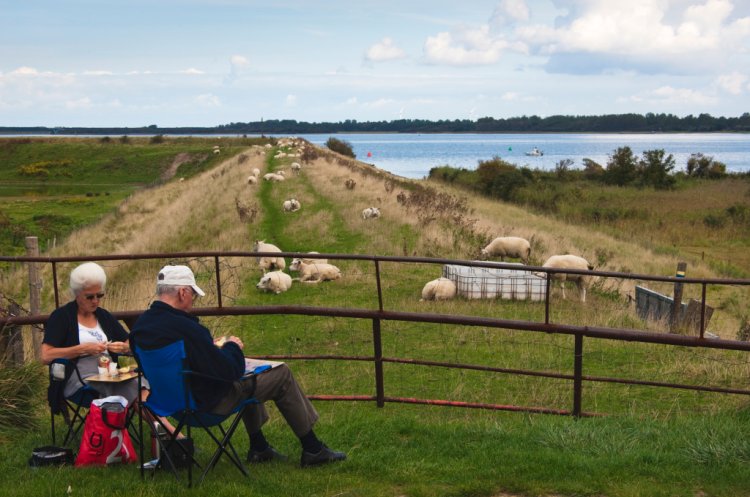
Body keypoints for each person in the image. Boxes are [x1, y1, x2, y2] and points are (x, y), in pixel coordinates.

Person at [129, 264, 346, 467]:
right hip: (206, 405)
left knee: (254, 376)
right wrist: (232, 347)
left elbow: (171, 365)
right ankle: (313, 448)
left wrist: (211, 350)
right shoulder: (188, 329)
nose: (193, 300)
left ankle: (259, 447)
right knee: (280, 373)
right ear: (183, 293)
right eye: (193, 295)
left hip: (171, 406)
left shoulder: (140, 329)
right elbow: (228, 372)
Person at [41, 262, 138, 402]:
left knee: (140, 383)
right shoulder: (62, 316)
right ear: (77, 294)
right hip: (78, 377)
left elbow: (129, 341)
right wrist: (82, 349)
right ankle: (156, 422)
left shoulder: (103, 315)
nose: (96, 301)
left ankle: (157, 423)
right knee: (127, 388)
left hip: (109, 374)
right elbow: (46, 356)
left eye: (100, 295)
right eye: (90, 297)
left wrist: (125, 348)